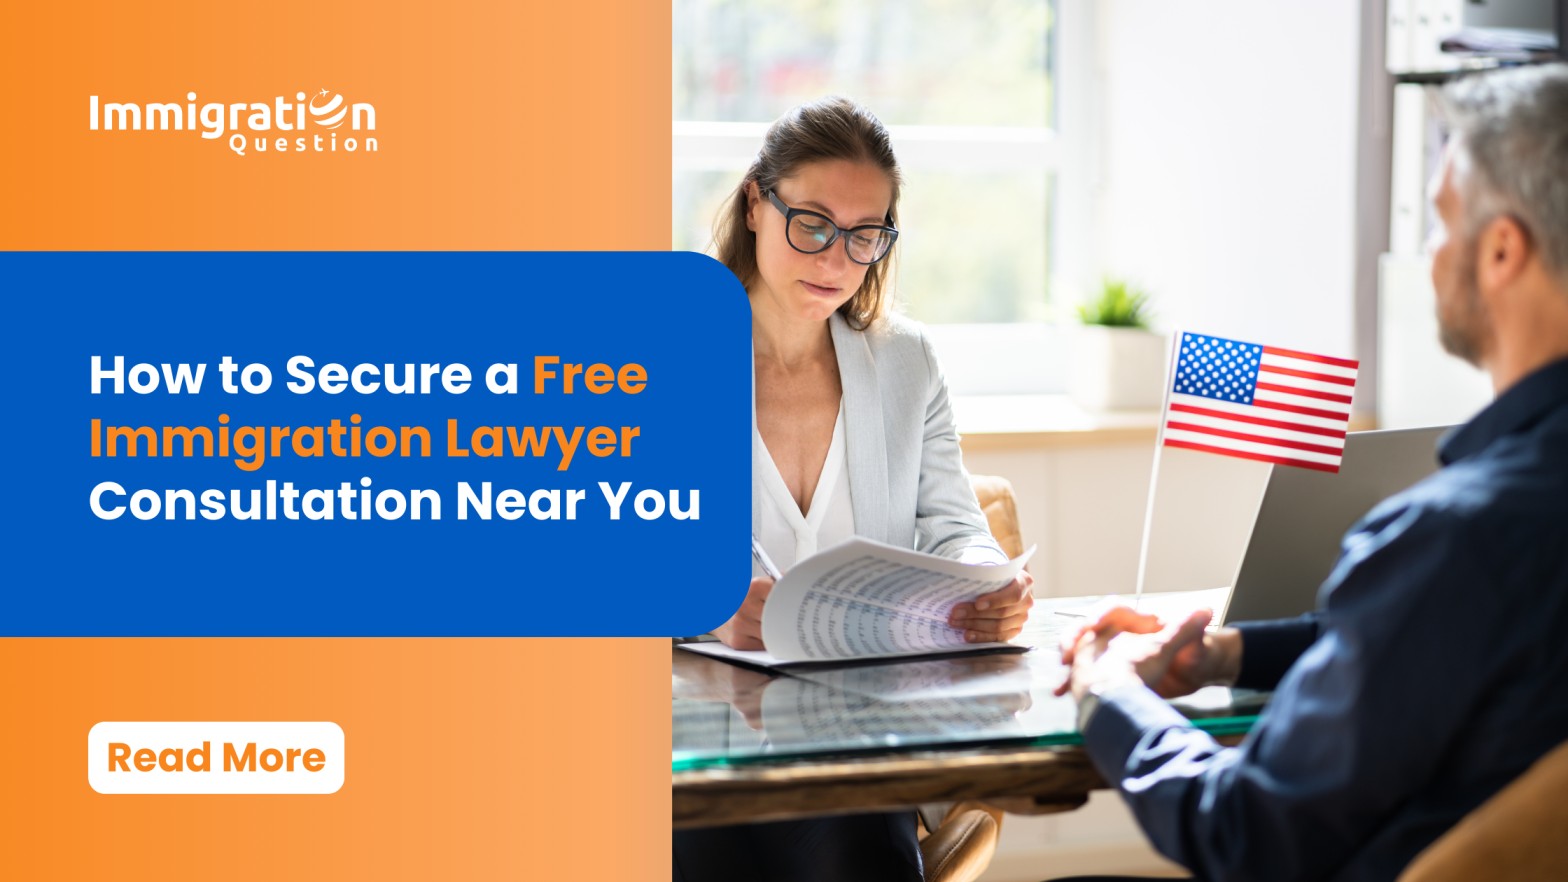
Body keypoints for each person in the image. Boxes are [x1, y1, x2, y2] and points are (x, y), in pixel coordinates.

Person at [1057, 64, 1568, 882]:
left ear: (1503, 248)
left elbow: (1245, 834)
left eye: (1439, 224)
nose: (1429, 258)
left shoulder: (1457, 536)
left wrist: (1109, 693)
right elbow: (1448, 643)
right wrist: (1229, 654)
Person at [673, 96, 1035, 882]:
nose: (836, 259)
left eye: (866, 234)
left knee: (848, 816)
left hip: (860, 734)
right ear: (754, 203)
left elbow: (954, 524)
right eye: (812, 223)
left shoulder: (907, 362)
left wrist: (986, 581)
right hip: (694, 736)